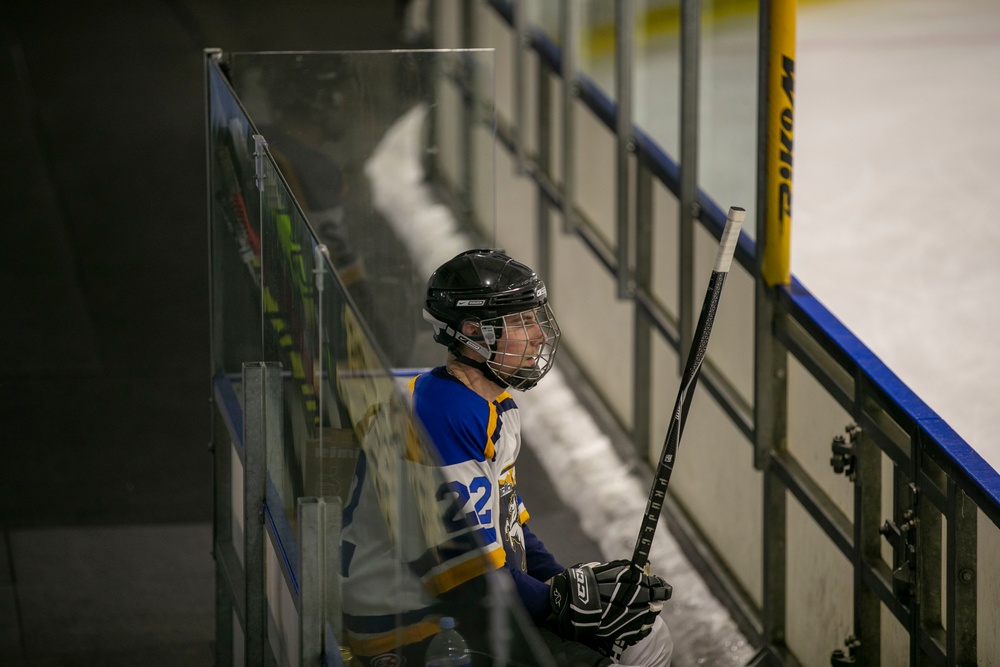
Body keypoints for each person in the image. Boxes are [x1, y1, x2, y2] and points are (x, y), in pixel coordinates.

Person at [341, 249, 673, 666]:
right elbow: (465, 577)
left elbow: (511, 531)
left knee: (643, 633)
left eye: (535, 318)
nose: (538, 334)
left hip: (463, 608)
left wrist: (563, 585)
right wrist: (559, 606)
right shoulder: (440, 416)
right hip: (413, 626)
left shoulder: (493, 405)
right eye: (520, 322)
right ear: (471, 333)